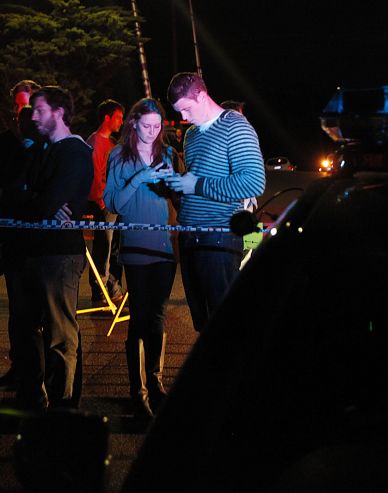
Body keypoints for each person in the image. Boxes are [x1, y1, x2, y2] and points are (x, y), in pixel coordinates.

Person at [164, 72, 265, 333]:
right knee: (203, 324)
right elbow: (198, 180)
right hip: (189, 237)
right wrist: (179, 185)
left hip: (219, 238)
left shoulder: (236, 126)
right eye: (179, 112)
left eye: (186, 109)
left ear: (201, 96)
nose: (184, 117)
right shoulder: (192, 135)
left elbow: (254, 183)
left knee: (224, 326)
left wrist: (196, 185)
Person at [13, 86, 93, 411]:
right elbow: (15, 194)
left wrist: (35, 200)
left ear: (59, 113)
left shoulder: (75, 152)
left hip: (59, 253)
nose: (33, 116)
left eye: (39, 110)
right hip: (33, 250)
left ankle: (63, 403)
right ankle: (35, 397)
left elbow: (47, 201)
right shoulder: (40, 150)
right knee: (29, 328)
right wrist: (36, 201)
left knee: (60, 332)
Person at [103, 98, 180, 419]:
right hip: (135, 245)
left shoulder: (168, 153)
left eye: (157, 126)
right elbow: (113, 203)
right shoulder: (119, 155)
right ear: (133, 123)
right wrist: (138, 179)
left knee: (158, 315)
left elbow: (178, 197)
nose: (152, 131)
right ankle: (138, 391)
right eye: (146, 125)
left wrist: (175, 184)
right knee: (139, 316)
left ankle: (156, 381)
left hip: (165, 246)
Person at [0, 79, 42, 387]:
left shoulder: (48, 142)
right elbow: (0, 183)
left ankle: (40, 371)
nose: (19, 111)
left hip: (40, 238)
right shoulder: (6, 142)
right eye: (17, 105)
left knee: (40, 309)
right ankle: (19, 365)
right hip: (13, 234)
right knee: (17, 306)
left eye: (26, 105)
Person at [86, 99, 125, 304]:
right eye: (118, 117)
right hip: (105, 205)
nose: (121, 122)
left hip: (113, 204)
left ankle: (113, 288)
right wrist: (101, 202)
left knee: (113, 248)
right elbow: (94, 176)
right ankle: (100, 290)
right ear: (107, 118)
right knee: (104, 248)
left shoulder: (111, 143)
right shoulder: (96, 142)